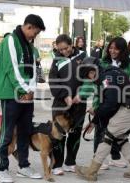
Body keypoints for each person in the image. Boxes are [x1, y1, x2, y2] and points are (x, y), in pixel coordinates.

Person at [75, 57, 130, 181]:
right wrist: (97, 114)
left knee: (108, 136)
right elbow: (111, 101)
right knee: (120, 138)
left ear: (92, 72)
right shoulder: (110, 72)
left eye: (88, 77)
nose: (90, 80)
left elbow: (110, 104)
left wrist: (95, 121)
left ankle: (91, 172)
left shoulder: (106, 79)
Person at [0, 14, 45, 182]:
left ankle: (23, 166)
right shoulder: (10, 40)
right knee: (7, 133)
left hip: (26, 95)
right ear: (28, 27)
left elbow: (32, 71)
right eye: (35, 33)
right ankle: (2, 167)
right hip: (11, 93)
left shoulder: (30, 47)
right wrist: (23, 89)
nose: (35, 36)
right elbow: (11, 68)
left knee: (25, 131)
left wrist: (31, 90)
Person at [94, 37, 130, 169]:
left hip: (121, 104)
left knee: (117, 131)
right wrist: (96, 104)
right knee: (101, 130)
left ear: (122, 50)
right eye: (110, 48)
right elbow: (97, 85)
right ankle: (97, 159)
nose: (112, 51)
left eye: (116, 48)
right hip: (105, 101)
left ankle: (115, 157)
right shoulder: (102, 63)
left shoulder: (129, 65)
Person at [48, 34, 86, 175]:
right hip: (60, 103)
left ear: (72, 44)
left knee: (75, 134)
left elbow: (89, 79)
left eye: (66, 48)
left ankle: (70, 162)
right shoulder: (57, 60)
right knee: (58, 134)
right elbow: (53, 81)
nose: (63, 52)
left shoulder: (83, 57)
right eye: (60, 49)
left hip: (79, 104)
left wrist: (81, 93)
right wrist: (65, 95)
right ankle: (56, 164)